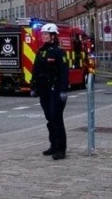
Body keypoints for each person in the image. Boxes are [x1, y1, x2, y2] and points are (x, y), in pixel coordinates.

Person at [30, 23, 70, 160]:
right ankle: (53, 145)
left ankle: (61, 149)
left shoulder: (59, 52)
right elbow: (35, 70)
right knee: (49, 118)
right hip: (44, 90)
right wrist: (33, 87)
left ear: (53, 36)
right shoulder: (41, 51)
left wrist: (63, 90)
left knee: (56, 118)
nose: (44, 36)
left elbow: (64, 72)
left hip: (56, 89)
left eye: (46, 34)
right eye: (43, 34)